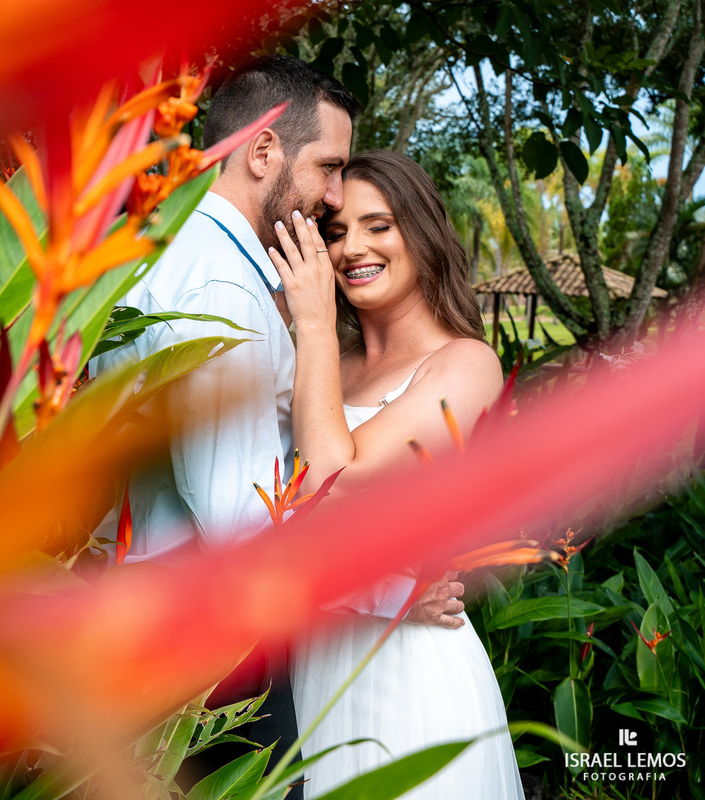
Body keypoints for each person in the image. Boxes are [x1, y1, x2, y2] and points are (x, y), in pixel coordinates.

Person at [89, 58, 466, 795]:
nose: (331, 197)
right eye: (327, 167)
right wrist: (390, 593)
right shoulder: (223, 288)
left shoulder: (161, 251)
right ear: (263, 152)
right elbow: (240, 519)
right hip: (209, 651)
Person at [267, 149, 524, 798]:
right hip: (314, 664)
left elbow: (326, 475)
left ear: (422, 233)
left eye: (379, 225)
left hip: (412, 672)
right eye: (336, 231)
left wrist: (315, 322)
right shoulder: (330, 364)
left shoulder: (463, 365)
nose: (353, 247)